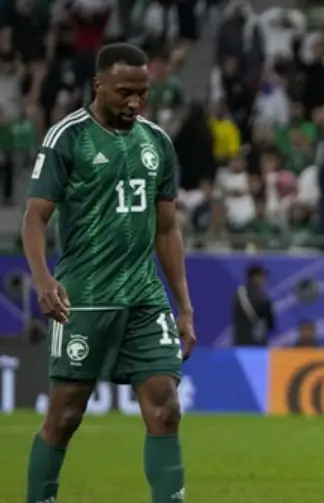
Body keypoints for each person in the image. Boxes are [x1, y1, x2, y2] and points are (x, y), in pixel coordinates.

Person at [22, 43, 195, 503]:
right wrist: (42, 278)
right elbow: (35, 217)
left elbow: (167, 228)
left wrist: (184, 306)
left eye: (143, 93)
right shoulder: (68, 137)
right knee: (65, 417)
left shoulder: (156, 141)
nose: (135, 103)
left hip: (144, 297)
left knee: (165, 408)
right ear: (98, 85)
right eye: (124, 92)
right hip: (84, 298)